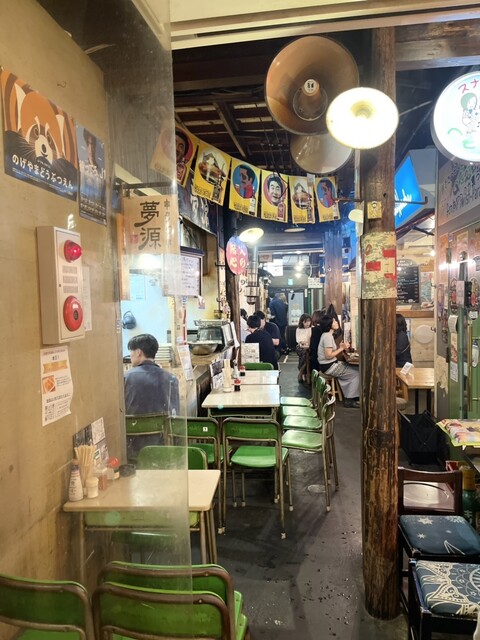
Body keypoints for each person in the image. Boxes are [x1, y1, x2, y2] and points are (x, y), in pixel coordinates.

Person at [124, 333, 180, 415]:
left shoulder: (126, 377)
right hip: (164, 423)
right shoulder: (171, 378)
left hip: (134, 423)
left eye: (131, 351)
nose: (130, 355)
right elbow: (175, 413)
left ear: (139, 352)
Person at [317, 315, 360, 408]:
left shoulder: (327, 335)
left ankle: (352, 395)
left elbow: (330, 352)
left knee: (355, 369)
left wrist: (340, 347)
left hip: (328, 365)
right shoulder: (327, 336)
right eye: (334, 321)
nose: (336, 322)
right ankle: (349, 400)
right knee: (356, 373)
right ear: (329, 324)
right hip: (329, 366)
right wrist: (342, 348)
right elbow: (328, 356)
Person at [296, 313, 312, 383]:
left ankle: (301, 372)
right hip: (300, 346)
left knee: (306, 356)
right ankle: (305, 374)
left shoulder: (311, 329)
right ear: (302, 322)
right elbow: (298, 340)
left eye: (309, 321)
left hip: (309, 346)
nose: (308, 323)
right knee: (305, 353)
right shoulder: (298, 329)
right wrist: (303, 342)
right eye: (306, 321)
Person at [309, 308, 325, 373]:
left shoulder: (315, 329)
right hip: (322, 355)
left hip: (316, 355)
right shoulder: (324, 329)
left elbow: (313, 345)